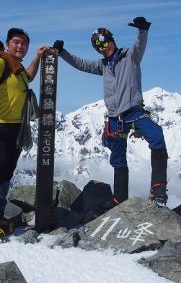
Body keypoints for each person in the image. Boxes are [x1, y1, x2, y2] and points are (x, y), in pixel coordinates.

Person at [52, 17, 168, 206]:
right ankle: (119, 199)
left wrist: (143, 30)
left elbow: (140, 45)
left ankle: (158, 189)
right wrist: (63, 53)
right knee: (118, 157)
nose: (104, 48)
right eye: (99, 47)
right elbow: (82, 64)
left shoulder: (130, 56)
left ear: (112, 40)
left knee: (156, 136)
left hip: (134, 111)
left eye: (105, 43)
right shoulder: (103, 65)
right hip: (115, 117)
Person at [0, 27, 47, 238]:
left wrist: (37, 57)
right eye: (16, 42)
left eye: (24, 43)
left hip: (16, 127)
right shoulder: (0, 63)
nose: (20, 46)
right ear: (7, 44)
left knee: (6, 172)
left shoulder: (18, 68)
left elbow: (29, 77)